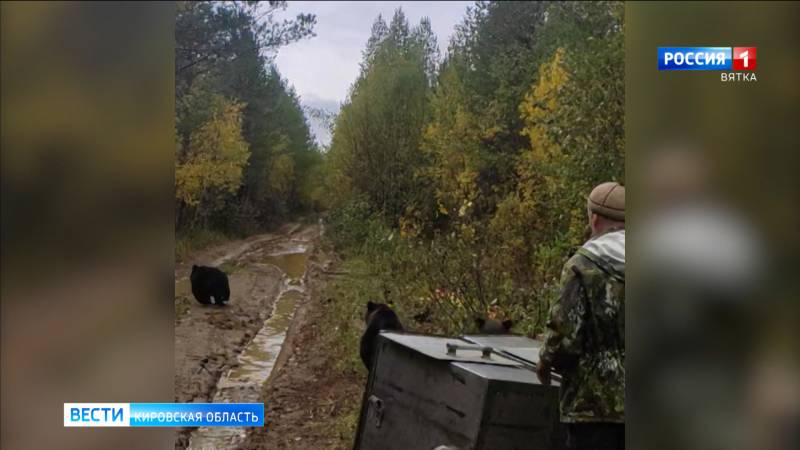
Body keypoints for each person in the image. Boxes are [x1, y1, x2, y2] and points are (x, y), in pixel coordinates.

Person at [537, 181, 626, 450]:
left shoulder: (583, 264)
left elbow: (565, 336)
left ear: (594, 217)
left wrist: (546, 360)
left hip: (593, 406)